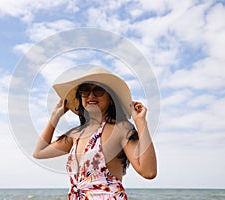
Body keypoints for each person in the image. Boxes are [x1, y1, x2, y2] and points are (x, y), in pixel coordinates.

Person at [33, 67, 157, 199]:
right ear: (80, 98)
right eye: (85, 91)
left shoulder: (121, 129)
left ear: (110, 98)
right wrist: (54, 117)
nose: (91, 95)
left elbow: (148, 172)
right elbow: (39, 152)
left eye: (98, 91)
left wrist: (141, 122)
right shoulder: (76, 134)